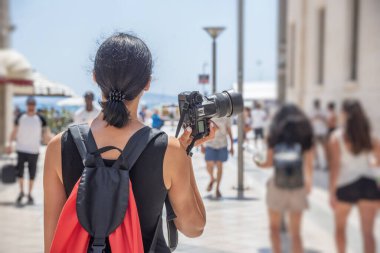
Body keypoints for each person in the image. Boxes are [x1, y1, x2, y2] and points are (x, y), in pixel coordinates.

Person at [43, 33, 216, 253]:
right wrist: (185, 153)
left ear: (95, 77)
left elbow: (52, 244)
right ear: (147, 83)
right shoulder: (168, 150)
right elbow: (193, 227)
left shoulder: (58, 146)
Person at [255, 104, 314, 253]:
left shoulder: (274, 134)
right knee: (295, 234)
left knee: (274, 229)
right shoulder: (305, 135)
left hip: (278, 184)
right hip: (297, 185)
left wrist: (258, 163)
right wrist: (308, 184)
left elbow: (268, 163)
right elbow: (309, 164)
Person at [329, 99, 380, 253]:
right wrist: (369, 165)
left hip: (346, 184)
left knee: (340, 229)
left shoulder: (337, 136)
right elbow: (378, 161)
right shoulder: (370, 135)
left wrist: (331, 192)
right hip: (369, 184)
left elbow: (335, 167)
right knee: (368, 234)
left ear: (344, 114)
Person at [6, 96, 52, 205]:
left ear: (35, 105)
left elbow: (46, 134)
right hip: (21, 149)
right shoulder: (20, 116)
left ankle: (29, 194)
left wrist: (51, 143)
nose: (31, 106)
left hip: (34, 150)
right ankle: (22, 192)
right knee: (20, 172)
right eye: (29, 104)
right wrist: (9, 143)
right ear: (27, 105)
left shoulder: (41, 118)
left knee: (32, 174)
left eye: (33, 104)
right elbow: (14, 131)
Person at [202, 117, 234, 198]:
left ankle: (217, 188)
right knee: (209, 164)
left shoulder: (226, 116)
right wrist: (201, 145)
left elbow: (229, 130)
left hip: (222, 144)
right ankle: (212, 178)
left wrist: (232, 146)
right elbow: (202, 128)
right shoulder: (209, 113)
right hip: (210, 143)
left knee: (220, 166)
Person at [311, 99, 328, 170]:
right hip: (315, 132)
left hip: (322, 132)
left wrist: (320, 117)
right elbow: (309, 120)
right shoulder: (311, 111)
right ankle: (317, 164)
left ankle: (326, 164)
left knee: (325, 149)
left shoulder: (323, 111)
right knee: (314, 148)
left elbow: (326, 120)